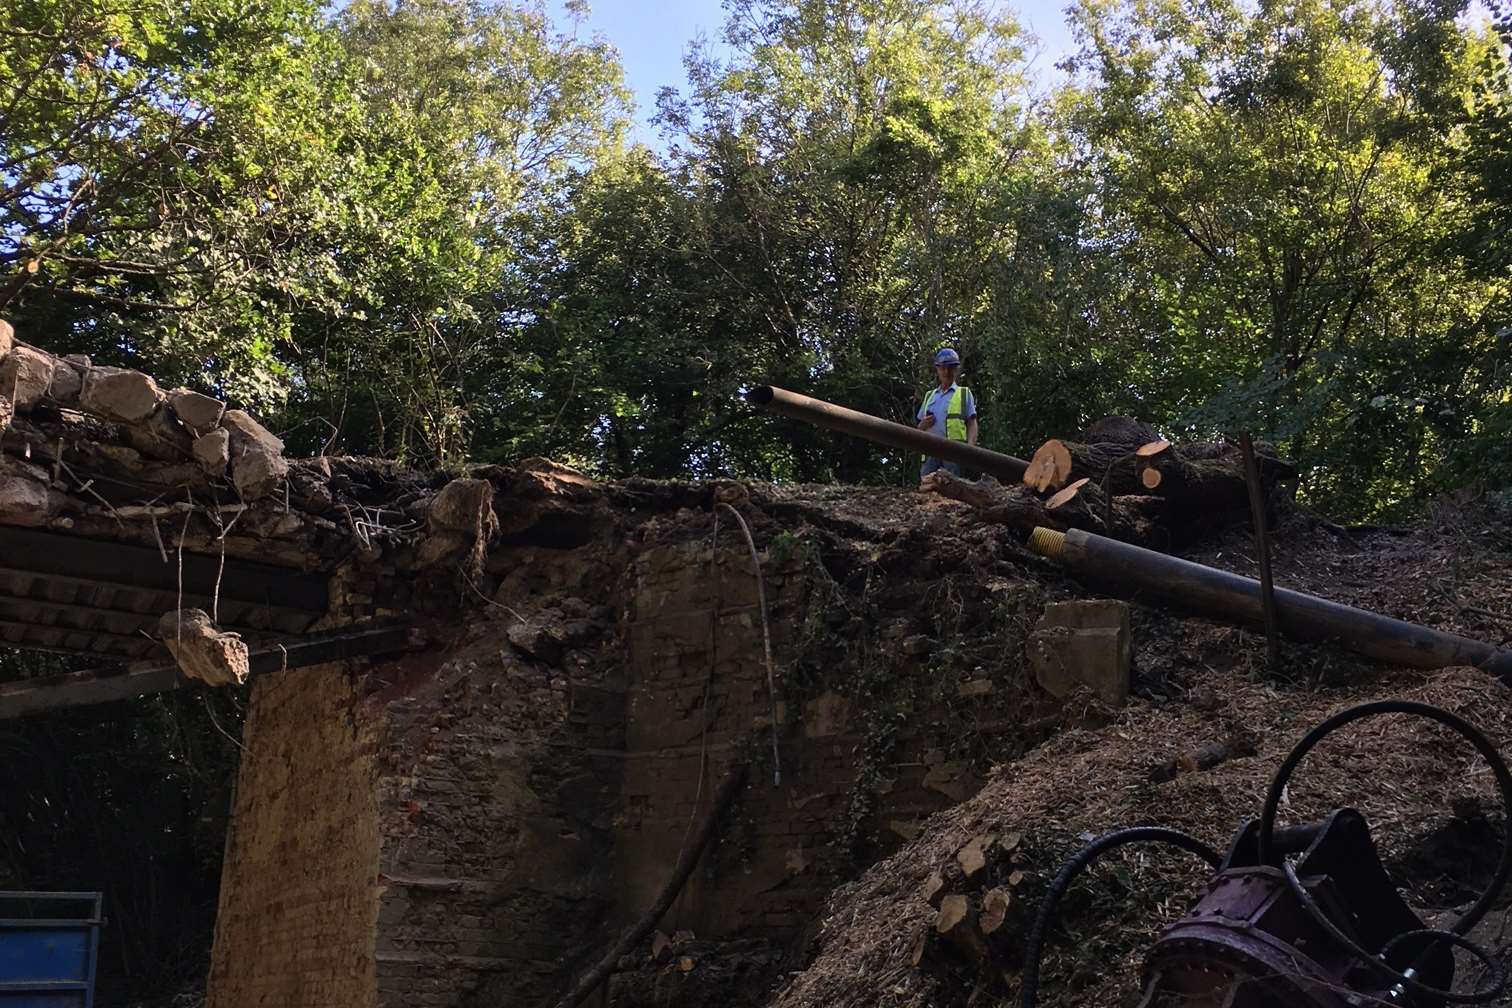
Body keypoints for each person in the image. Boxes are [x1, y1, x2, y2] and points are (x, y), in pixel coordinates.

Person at [916, 347, 978, 480]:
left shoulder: (964, 393)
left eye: (950, 368)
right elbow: (919, 429)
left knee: (952, 491)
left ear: (956, 370)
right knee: (927, 489)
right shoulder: (929, 396)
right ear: (937, 369)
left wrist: (971, 448)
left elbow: (972, 423)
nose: (946, 371)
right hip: (930, 451)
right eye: (943, 368)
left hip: (954, 453)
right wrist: (923, 424)